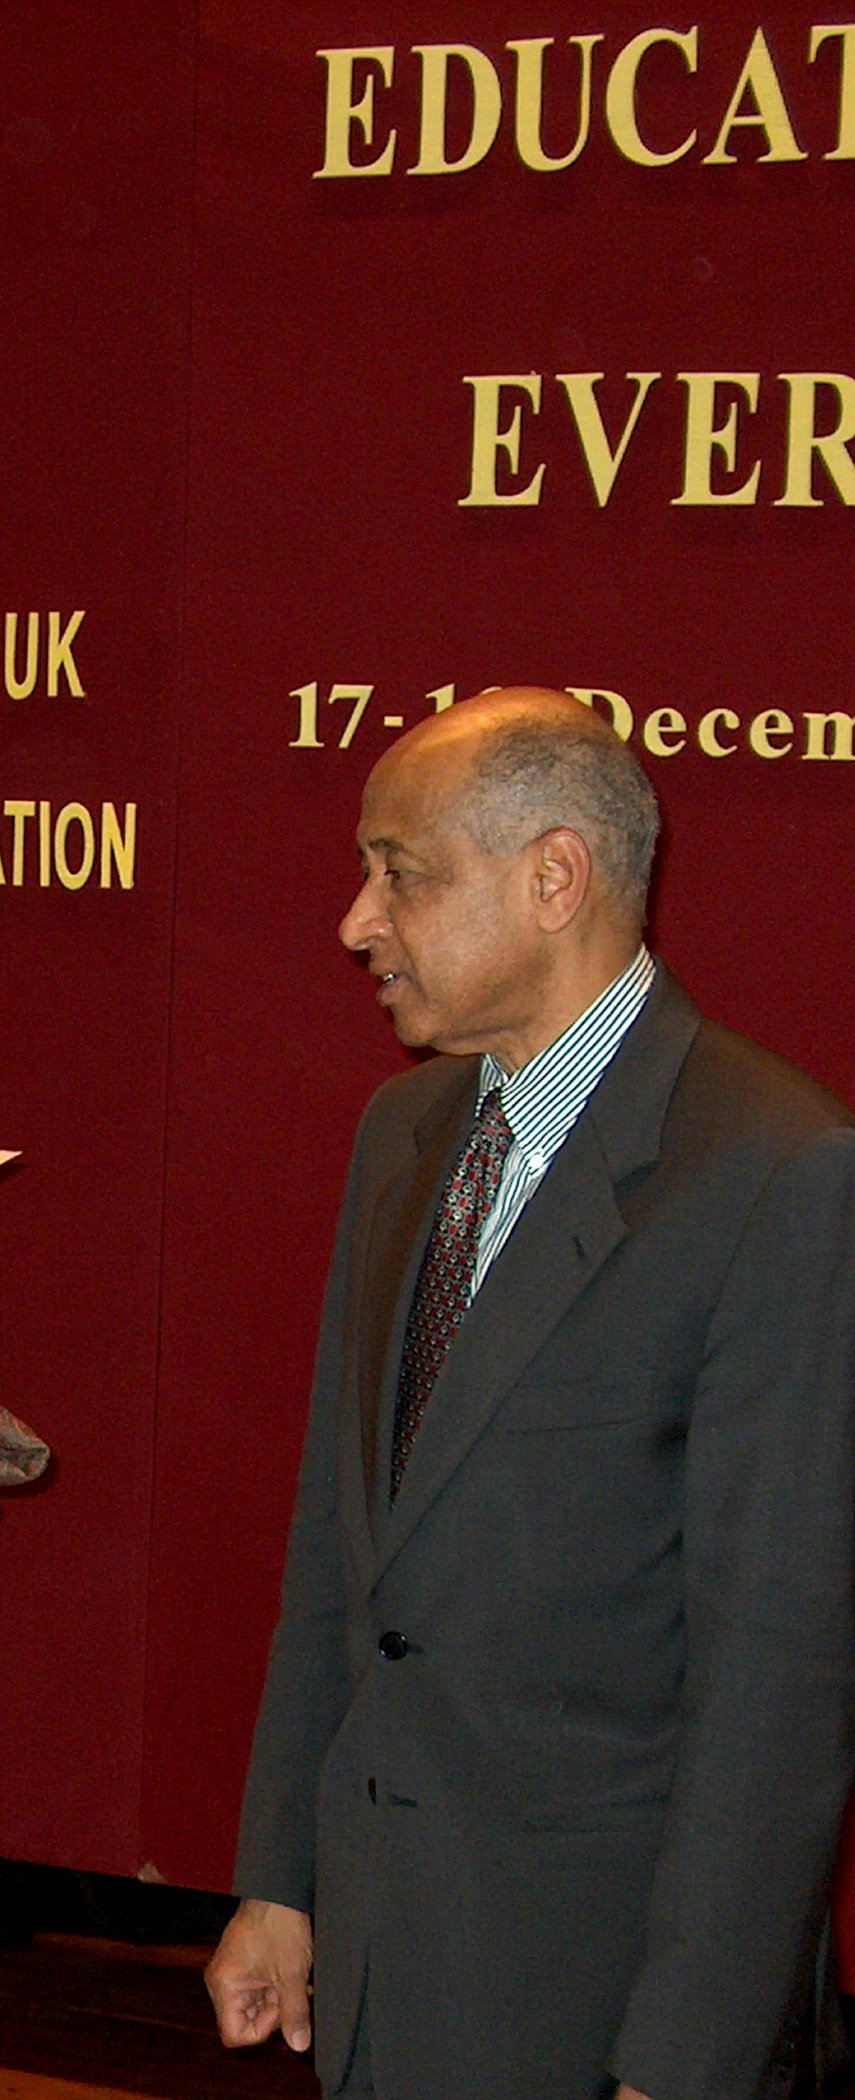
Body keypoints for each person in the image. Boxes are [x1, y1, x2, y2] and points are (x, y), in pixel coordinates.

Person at [206, 688, 855, 2100]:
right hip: (381, 1963)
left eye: (401, 873)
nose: (355, 921)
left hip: (593, 1996)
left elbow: (777, 1693)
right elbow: (340, 1548)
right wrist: (283, 1877)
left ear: (553, 878)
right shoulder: (405, 1134)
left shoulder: (775, 1173)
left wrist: (681, 2060)